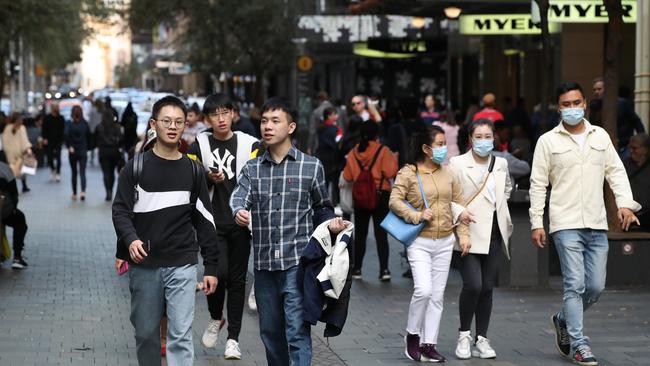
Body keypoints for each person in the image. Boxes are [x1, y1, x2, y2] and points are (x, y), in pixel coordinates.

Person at [530, 81, 641, 366]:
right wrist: (536, 222)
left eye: (576, 103)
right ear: (559, 107)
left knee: (595, 287)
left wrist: (625, 204)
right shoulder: (548, 142)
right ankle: (580, 344)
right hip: (564, 223)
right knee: (575, 285)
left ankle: (563, 319)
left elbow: (616, 172)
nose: (571, 109)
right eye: (565, 104)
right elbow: (538, 184)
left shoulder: (600, 137)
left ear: (584, 105)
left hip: (596, 221)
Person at [230, 97, 347, 366]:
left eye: (275, 121)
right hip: (264, 266)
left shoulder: (311, 166)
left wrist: (331, 223)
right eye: (264, 121)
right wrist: (239, 212)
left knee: (296, 332)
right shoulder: (252, 168)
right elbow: (238, 198)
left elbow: (322, 206)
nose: (267, 126)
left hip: (298, 265)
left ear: (291, 127)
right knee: (270, 333)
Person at [112, 96, 220, 366]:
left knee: (180, 335)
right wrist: (131, 240)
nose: (172, 127)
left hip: (182, 262)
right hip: (144, 263)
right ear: (153, 124)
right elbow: (121, 211)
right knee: (146, 333)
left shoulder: (193, 171)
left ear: (185, 126)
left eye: (178, 122)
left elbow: (205, 221)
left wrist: (211, 267)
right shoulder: (134, 168)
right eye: (166, 121)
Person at [389, 125, 470, 362]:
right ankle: (413, 334)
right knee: (423, 290)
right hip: (420, 242)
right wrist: (416, 216)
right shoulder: (408, 172)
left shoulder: (449, 173)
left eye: (445, 143)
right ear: (426, 148)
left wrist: (463, 236)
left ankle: (429, 343)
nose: (444, 148)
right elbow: (394, 201)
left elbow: (459, 206)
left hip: (445, 240)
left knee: (437, 296)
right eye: (440, 144)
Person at [187, 93, 259, 361]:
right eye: (214, 114)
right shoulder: (200, 144)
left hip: (240, 224)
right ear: (207, 119)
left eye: (225, 112)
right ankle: (216, 318)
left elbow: (260, 175)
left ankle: (233, 339)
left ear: (233, 114)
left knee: (237, 281)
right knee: (216, 275)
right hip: (212, 224)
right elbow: (190, 174)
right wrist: (207, 176)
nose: (221, 118)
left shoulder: (249, 143)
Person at [449, 119, 513, 360]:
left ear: (494, 137)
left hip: (495, 233)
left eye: (488, 136)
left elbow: (505, 189)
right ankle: (464, 335)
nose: (484, 141)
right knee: (473, 285)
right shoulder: (456, 163)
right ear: (470, 139)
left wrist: (501, 207)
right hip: (467, 232)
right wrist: (459, 213)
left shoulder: (501, 163)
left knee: (487, 288)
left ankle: (482, 339)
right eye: (479, 136)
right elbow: (449, 196)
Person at [343, 121, 398, 281]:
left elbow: (347, 176)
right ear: (377, 134)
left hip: (360, 197)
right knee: (381, 234)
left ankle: (357, 269)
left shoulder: (354, 152)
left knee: (360, 234)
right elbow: (390, 172)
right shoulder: (383, 151)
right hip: (381, 195)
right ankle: (384, 270)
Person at [0, 161, 29, 269]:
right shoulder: (4, 169)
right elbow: (14, 194)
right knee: (20, 221)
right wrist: (14, 208)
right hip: (4, 210)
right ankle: (17, 257)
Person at [96, 109, 124, 201]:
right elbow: (120, 139)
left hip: (103, 152)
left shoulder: (99, 127)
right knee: (112, 172)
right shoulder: (117, 127)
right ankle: (111, 190)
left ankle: (108, 190)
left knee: (106, 173)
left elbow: (95, 139)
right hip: (114, 152)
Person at [315, 107, 343, 200]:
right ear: (329, 115)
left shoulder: (320, 128)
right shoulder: (337, 129)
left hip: (321, 155)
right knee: (334, 180)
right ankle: (335, 200)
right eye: (335, 114)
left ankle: (323, 199)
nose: (337, 116)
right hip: (333, 156)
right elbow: (338, 142)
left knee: (324, 179)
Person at [624, 133, 650, 230]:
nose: (631, 151)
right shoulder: (624, 165)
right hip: (629, 216)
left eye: (634, 148)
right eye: (629, 148)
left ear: (645, 149)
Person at [2, 113, 33, 192]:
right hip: (11, 154)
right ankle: (14, 188)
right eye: (20, 119)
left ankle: (24, 185)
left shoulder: (22, 128)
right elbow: (5, 141)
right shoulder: (8, 128)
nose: (21, 121)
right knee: (13, 171)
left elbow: (24, 140)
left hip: (21, 153)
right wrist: (8, 152)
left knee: (23, 170)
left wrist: (27, 149)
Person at [66, 106, 91, 201]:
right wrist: (88, 147)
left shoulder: (69, 124)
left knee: (74, 173)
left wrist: (70, 146)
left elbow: (66, 136)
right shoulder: (84, 123)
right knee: (82, 172)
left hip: (72, 151)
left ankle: (74, 193)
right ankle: (83, 192)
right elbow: (89, 136)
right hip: (82, 150)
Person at [42, 103, 65, 181]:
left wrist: (62, 139)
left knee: (58, 157)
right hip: (49, 141)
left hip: (58, 141)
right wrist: (44, 138)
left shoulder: (61, 118)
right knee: (49, 157)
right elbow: (44, 129)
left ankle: (58, 173)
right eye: (55, 107)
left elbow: (63, 129)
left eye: (57, 107)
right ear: (52, 108)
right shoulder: (47, 118)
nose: (56, 109)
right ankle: (53, 169)